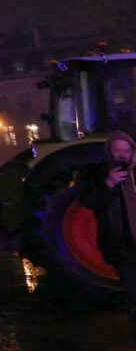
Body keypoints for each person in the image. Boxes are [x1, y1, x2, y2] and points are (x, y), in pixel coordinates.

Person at [80, 130, 136, 337]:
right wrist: (109, 184)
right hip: (123, 248)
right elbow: (88, 201)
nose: (122, 154)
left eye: (126, 150)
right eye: (117, 150)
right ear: (110, 152)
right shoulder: (97, 175)